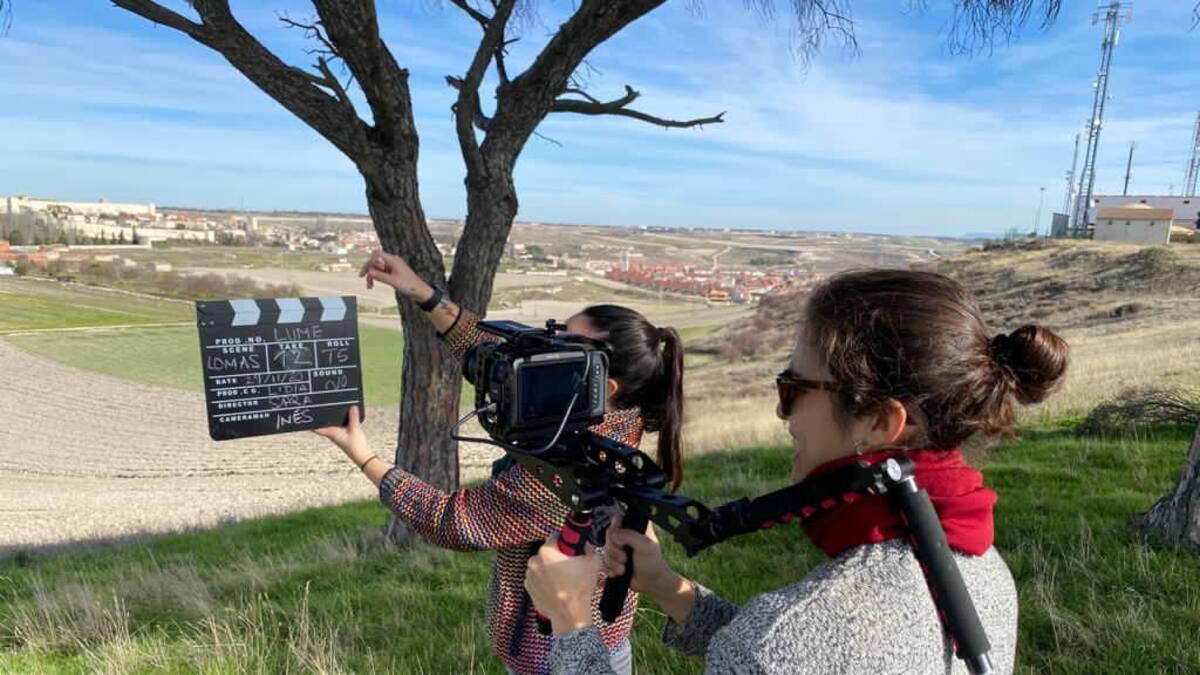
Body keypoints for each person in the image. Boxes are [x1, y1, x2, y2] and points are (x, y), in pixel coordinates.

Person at [524, 269, 1070, 674]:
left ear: (880, 422)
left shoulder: (784, 645)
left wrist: (573, 623)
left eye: (794, 390)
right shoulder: (983, 572)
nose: (782, 414)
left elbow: (778, 653)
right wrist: (669, 588)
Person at [314, 250, 686, 675]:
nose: (547, 351)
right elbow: (495, 353)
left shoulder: (569, 469)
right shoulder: (616, 412)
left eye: (563, 346)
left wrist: (361, 453)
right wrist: (419, 290)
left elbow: (453, 521)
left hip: (555, 651)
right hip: (592, 637)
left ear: (603, 384)